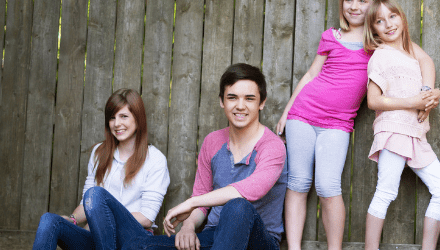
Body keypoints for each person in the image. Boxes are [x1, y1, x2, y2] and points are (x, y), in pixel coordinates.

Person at [276, 0, 438, 249]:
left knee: (327, 186)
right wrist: (287, 111)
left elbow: (425, 60)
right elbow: (311, 75)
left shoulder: (380, 42)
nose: (354, 6)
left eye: (362, 1)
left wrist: (426, 93)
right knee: (298, 182)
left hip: (338, 123)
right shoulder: (331, 36)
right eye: (348, 0)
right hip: (303, 114)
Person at [125, 63, 287, 250]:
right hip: (214, 236)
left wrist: (191, 203)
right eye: (232, 97)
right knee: (137, 245)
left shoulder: (273, 146)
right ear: (222, 101)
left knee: (237, 207)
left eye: (249, 99)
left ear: (262, 103)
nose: (240, 106)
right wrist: (188, 226)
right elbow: (202, 201)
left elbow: (253, 189)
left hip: (258, 241)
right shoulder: (212, 142)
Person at [362, 1, 440, 249]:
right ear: (374, 29)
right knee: (386, 192)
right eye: (380, 21)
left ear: (402, 18)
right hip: (393, 130)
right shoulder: (380, 55)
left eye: (392, 16)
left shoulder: (408, 49)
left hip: (415, 133)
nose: (388, 24)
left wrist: (428, 94)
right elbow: (373, 100)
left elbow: (428, 63)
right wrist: (414, 101)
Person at [32, 88, 171, 250]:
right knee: (50, 220)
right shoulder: (99, 152)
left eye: (124, 116)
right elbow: (88, 203)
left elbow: (147, 218)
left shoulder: (155, 159)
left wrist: (102, 220)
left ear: (138, 119)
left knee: (96, 194)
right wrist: (73, 219)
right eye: (112, 118)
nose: (117, 123)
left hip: (134, 239)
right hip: (97, 237)